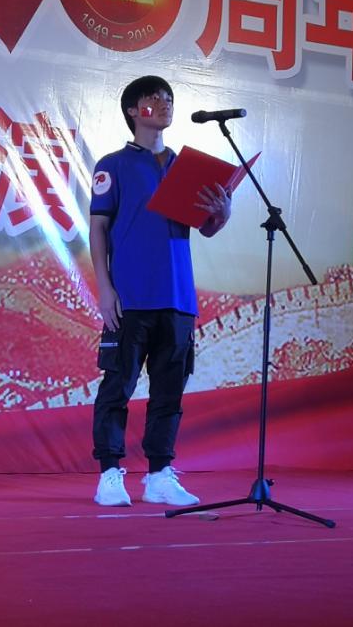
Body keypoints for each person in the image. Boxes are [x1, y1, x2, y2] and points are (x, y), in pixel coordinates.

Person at [89, 75, 232, 507]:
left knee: (169, 392)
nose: (165, 103)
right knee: (118, 385)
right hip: (131, 296)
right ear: (133, 110)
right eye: (154, 98)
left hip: (178, 297)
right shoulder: (112, 165)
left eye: (169, 97)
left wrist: (222, 213)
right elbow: (98, 228)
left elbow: (206, 228)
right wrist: (105, 289)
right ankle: (109, 474)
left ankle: (159, 475)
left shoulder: (185, 167)